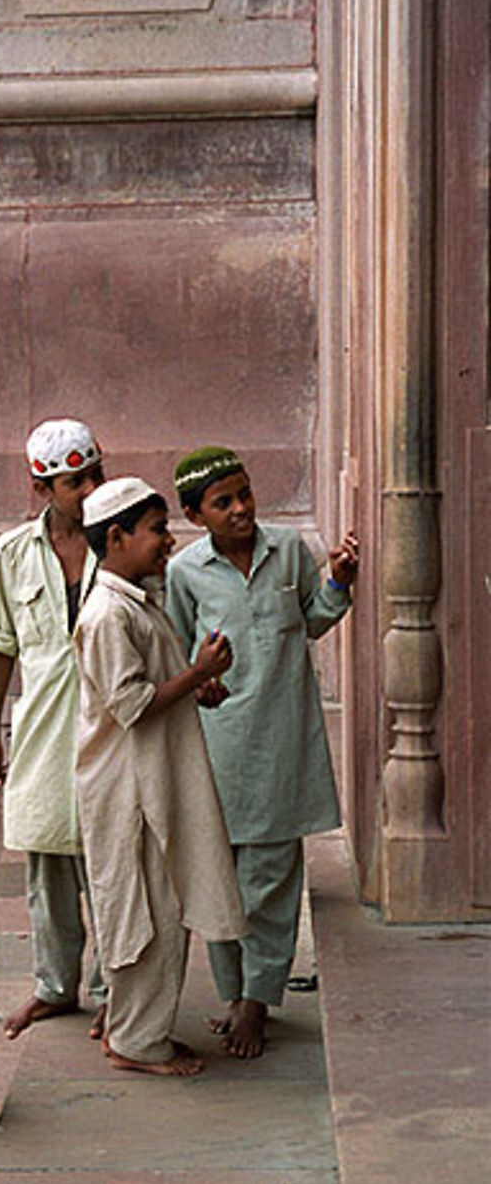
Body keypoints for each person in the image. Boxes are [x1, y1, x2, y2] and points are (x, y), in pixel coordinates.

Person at [165, 445, 359, 1060]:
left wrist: (338, 583)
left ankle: (258, 999)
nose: (242, 509)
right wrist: (201, 678)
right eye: (223, 502)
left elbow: (313, 618)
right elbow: (176, 655)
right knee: (218, 877)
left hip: (280, 744)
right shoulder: (185, 572)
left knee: (271, 879)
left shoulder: (288, 550)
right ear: (197, 516)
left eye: (245, 494)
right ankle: (233, 991)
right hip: (217, 749)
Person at [74, 476, 245, 1077]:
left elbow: (156, 688)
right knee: (140, 913)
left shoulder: (136, 600)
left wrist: (201, 684)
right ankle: (135, 1042)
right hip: (127, 788)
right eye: (156, 531)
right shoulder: (105, 614)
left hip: (154, 779)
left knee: (159, 904)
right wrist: (198, 673)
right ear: (116, 537)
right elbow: (132, 705)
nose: (167, 542)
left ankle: (134, 1029)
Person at [0, 418, 107, 1040]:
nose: (87, 492)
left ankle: (115, 992)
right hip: (44, 727)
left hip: (112, 722)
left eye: (92, 478)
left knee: (110, 863)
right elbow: (1, 642)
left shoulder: (122, 539)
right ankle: (55, 985)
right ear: (42, 490)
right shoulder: (13, 553)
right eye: (73, 483)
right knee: (49, 859)